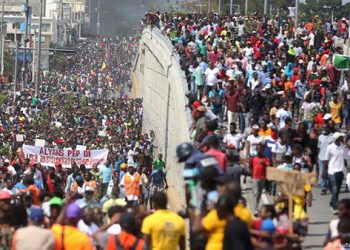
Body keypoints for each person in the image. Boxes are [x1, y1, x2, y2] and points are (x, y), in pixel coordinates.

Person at [324, 132, 348, 214]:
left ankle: (331, 203)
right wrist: (324, 171)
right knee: (334, 190)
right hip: (332, 171)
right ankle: (335, 207)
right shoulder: (330, 147)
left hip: (340, 171)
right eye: (341, 137)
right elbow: (326, 160)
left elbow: (344, 159)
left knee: (336, 190)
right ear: (337, 138)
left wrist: (347, 168)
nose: (343, 139)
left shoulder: (343, 147)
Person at [249, 143, 271, 215]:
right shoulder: (253, 158)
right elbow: (250, 166)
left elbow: (268, 166)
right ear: (256, 149)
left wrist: (264, 164)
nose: (259, 150)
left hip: (263, 178)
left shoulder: (265, 158)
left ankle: (255, 206)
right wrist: (251, 174)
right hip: (255, 178)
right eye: (258, 148)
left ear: (263, 150)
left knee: (259, 193)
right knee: (255, 193)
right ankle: (255, 209)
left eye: (261, 149)